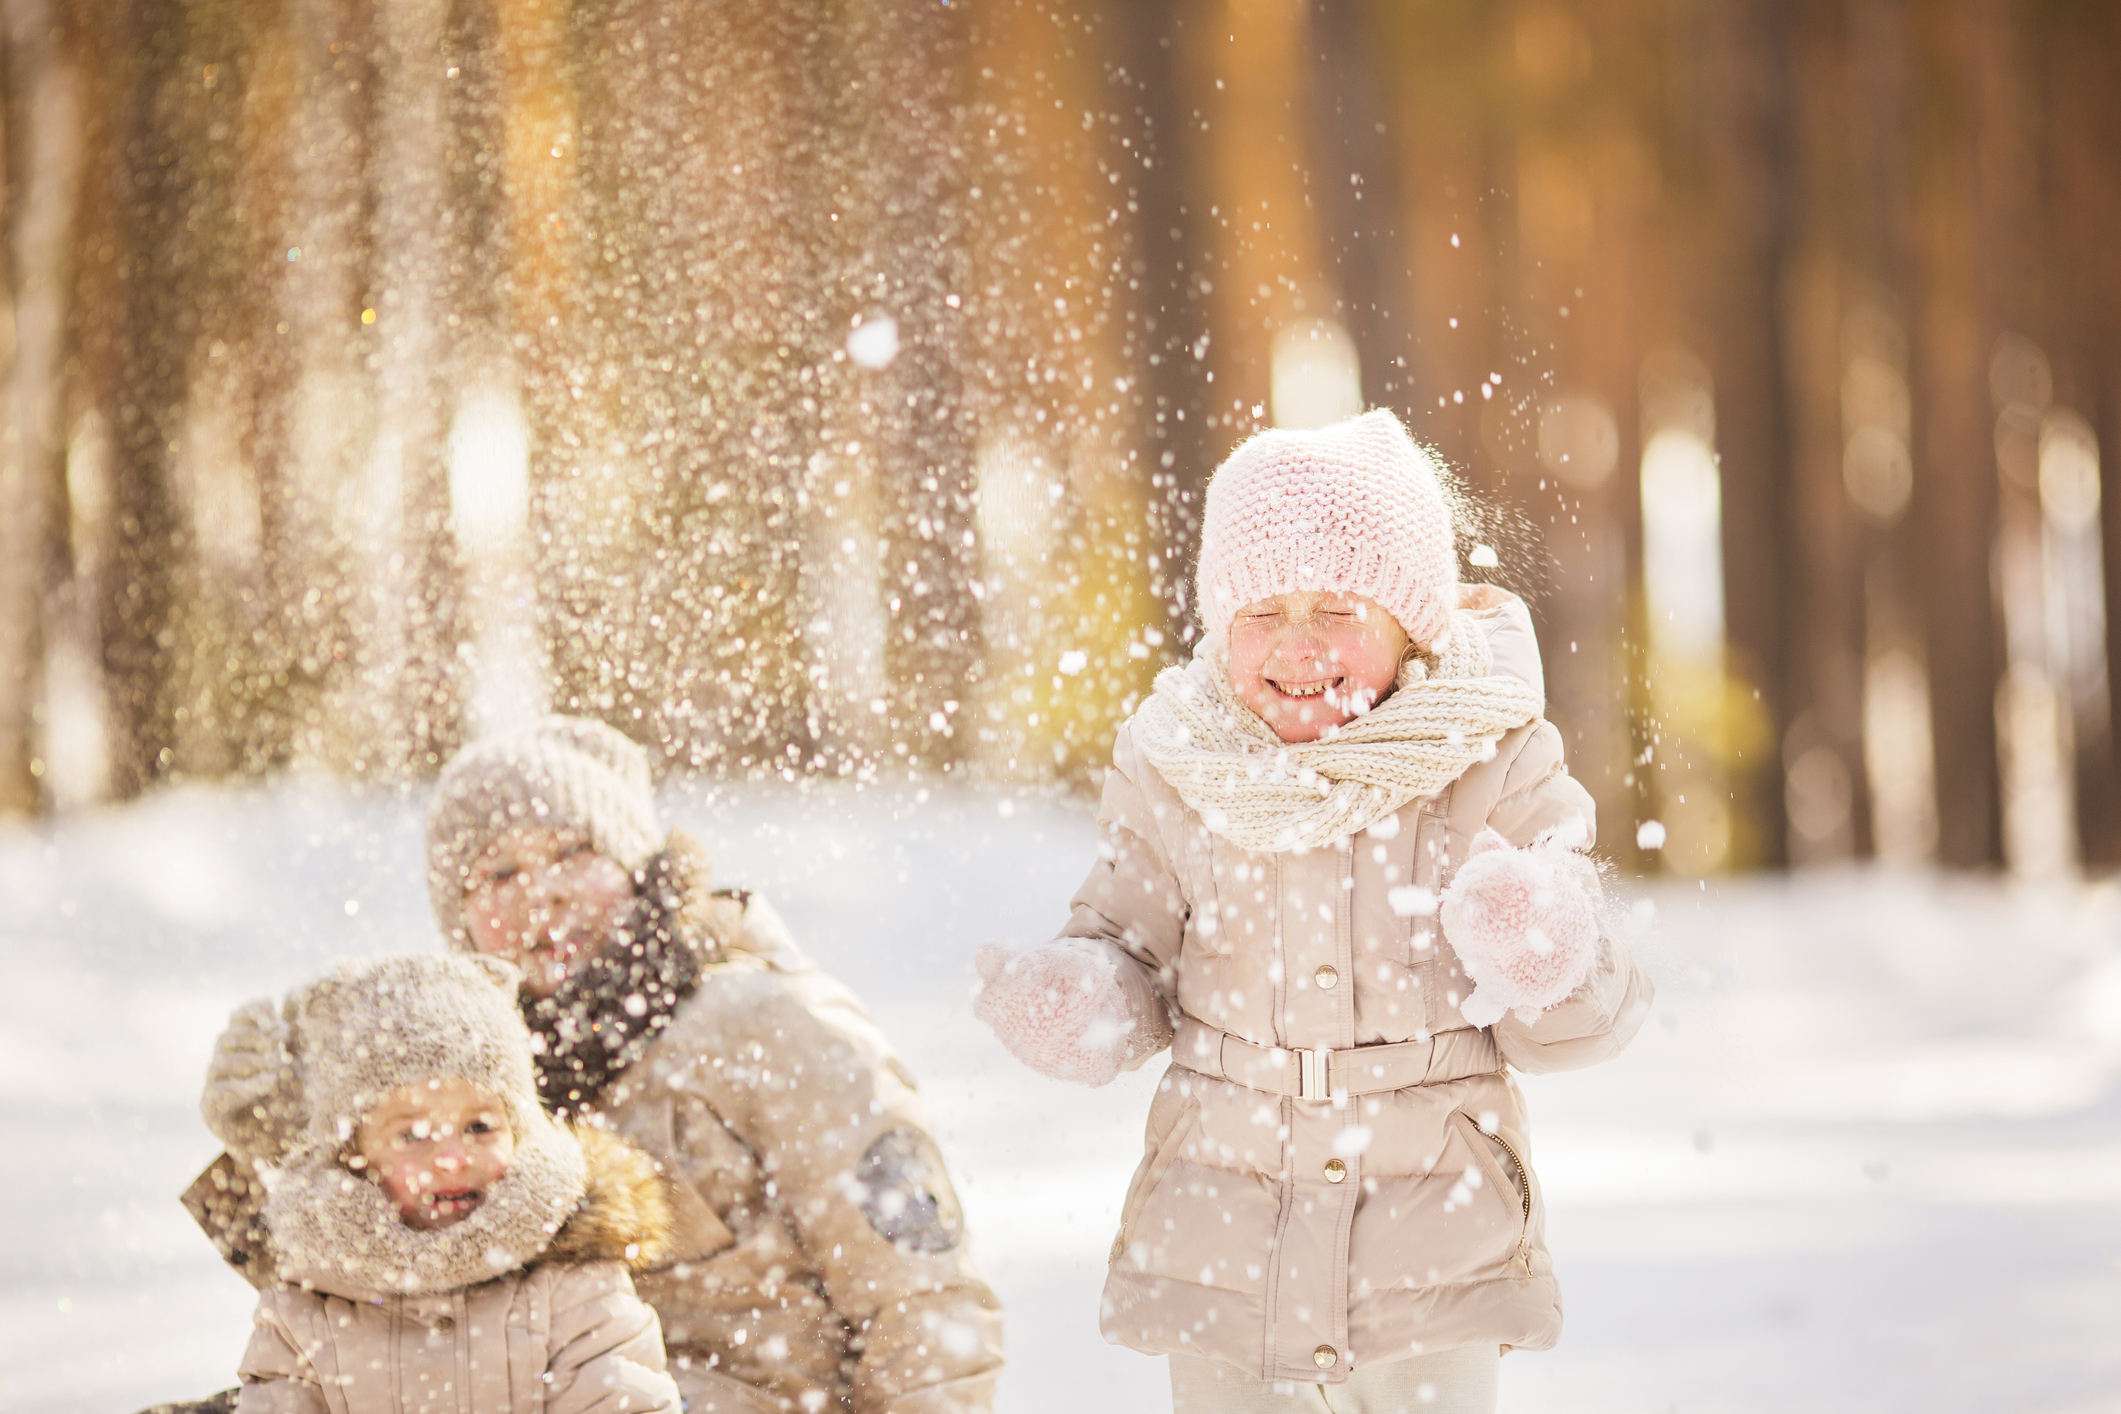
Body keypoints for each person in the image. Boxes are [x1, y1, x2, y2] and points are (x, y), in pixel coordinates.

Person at [971, 410, 1652, 1413]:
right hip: (1225, 1232)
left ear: (1410, 624)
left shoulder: (1489, 753)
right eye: (1261, 612)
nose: (1296, 645)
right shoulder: (1176, 763)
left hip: (1428, 1239)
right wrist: (1086, 996)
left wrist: (1540, 946)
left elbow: (1585, 1017)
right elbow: (1130, 941)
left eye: (1336, 606)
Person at [192, 716, 1002, 1414]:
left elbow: (923, 1299)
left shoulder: (771, 1026)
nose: (540, 894)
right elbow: (362, 1327)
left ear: (637, 868)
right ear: (463, 919)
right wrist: (284, 1151)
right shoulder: (471, 1075)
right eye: (498, 874)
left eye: (573, 853)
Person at [225, 952, 681, 1414]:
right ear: (354, 1158)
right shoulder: (307, 1308)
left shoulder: (575, 1286)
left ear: (519, 1134)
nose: (452, 1159)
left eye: (479, 1127)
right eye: (413, 1135)